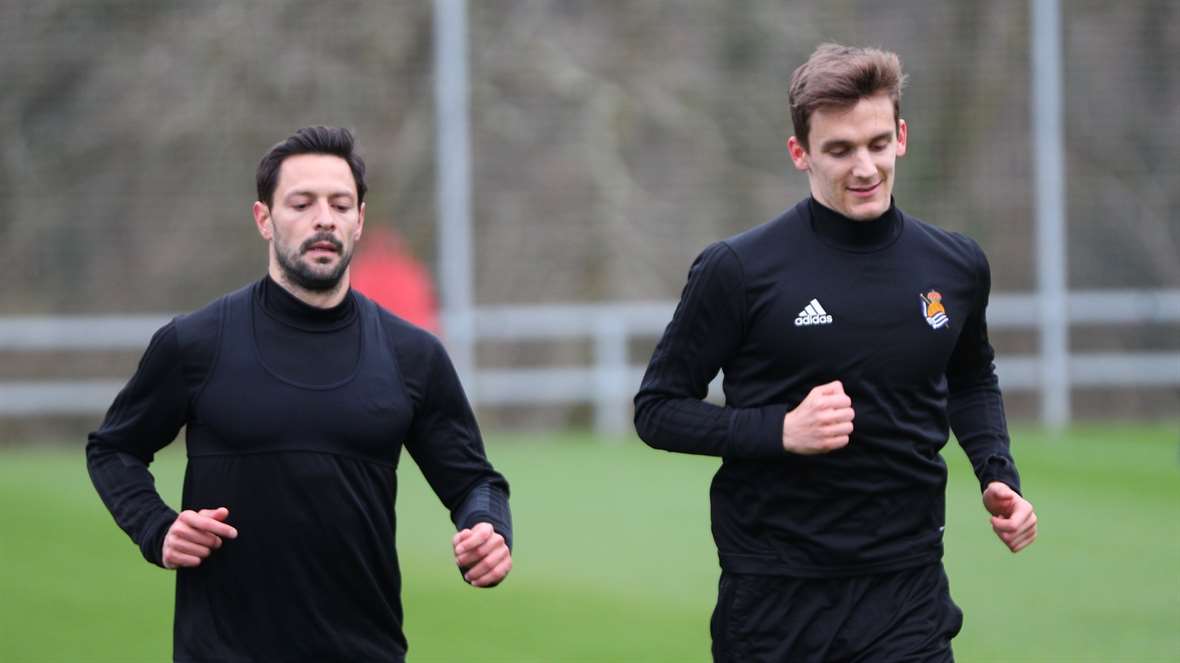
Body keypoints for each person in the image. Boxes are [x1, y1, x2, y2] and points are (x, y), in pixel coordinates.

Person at [634, 44, 1037, 662]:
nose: (865, 167)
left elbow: (971, 378)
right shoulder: (738, 269)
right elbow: (657, 409)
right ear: (801, 153)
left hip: (908, 593)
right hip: (776, 599)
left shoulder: (954, 264)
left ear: (902, 137)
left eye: (878, 143)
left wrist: (997, 473)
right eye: (840, 150)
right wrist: (780, 430)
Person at [86, 126, 512, 662]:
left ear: (359, 219)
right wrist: (157, 527)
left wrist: (487, 529)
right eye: (302, 203)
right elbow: (114, 450)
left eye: (340, 204)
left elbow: (474, 482)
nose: (324, 219)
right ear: (264, 219)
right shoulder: (196, 343)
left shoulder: (413, 355)